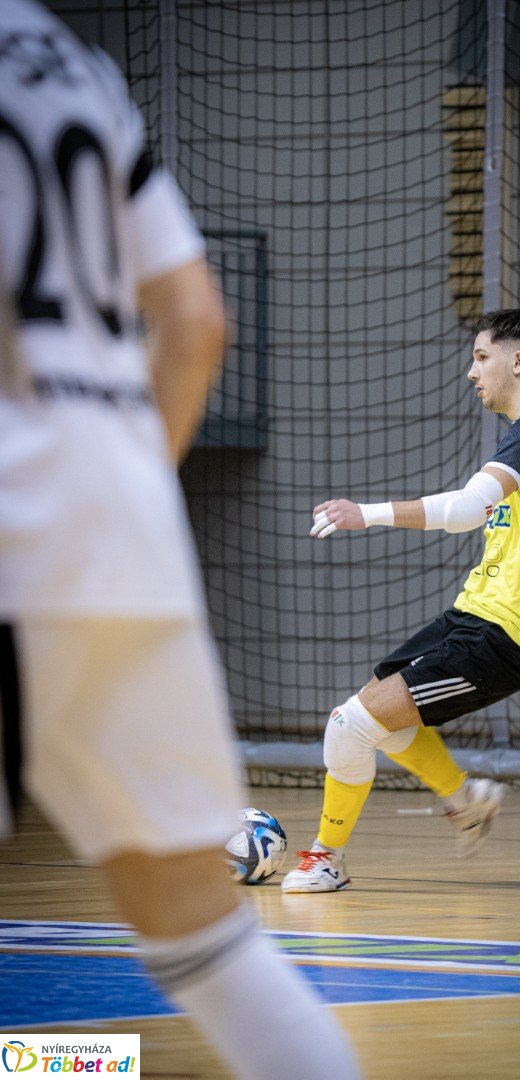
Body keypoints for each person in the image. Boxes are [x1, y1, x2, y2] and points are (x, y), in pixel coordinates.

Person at [0, 3, 361, 1077]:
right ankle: (70, 1065)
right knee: (218, 959)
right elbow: (196, 322)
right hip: (122, 530)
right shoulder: (68, 58)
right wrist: (108, 507)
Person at [282, 308, 520, 893]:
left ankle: (326, 857)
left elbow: (463, 512)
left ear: (519, 360)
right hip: (476, 620)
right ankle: (465, 799)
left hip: (498, 638)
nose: (472, 372)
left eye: (482, 357)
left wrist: (365, 514)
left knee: (349, 728)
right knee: (384, 718)